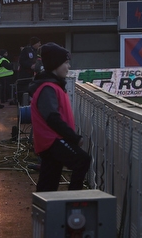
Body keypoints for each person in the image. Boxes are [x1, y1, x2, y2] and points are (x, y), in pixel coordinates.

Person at [29, 43, 91, 191]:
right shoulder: (48, 88)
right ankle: (73, 204)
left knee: (48, 183)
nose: (68, 67)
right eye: (66, 63)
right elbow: (52, 118)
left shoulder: (51, 86)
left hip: (50, 142)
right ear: (56, 64)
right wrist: (74, 138)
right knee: (82, 160)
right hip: (52, 141)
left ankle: (47, 211)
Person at [16, 37, 43, 104]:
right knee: (23, 91)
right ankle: (22, 105)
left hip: (32, 75)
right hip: (24, 75)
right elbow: (21, 61)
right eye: (38, 43)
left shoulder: (37, 52)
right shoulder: (26, 50)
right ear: (35, 43)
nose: (40, 44)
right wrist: (30, 66)